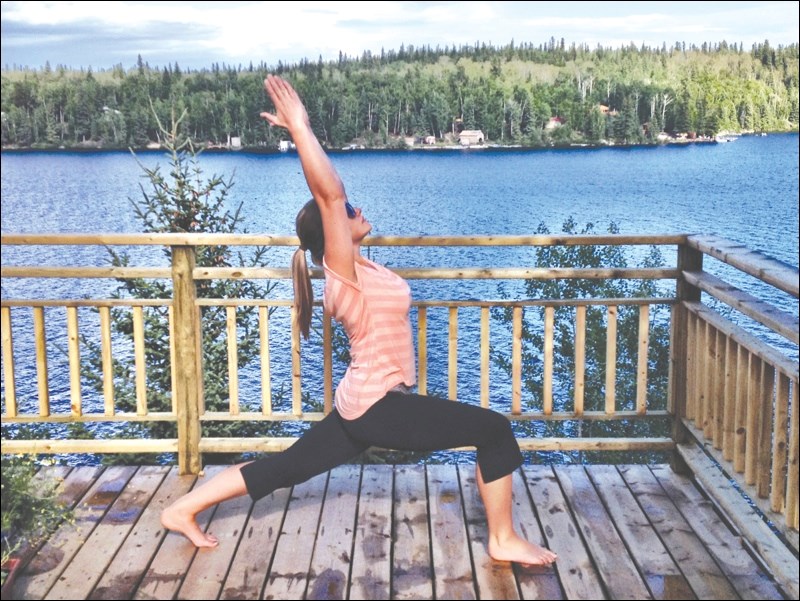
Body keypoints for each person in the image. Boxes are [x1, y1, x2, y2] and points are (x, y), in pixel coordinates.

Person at [160, 74, 557, 567]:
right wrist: (301, 131)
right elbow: (329, 195)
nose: (356, 209)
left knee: (286, 467)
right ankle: (502, 539)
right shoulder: (340, 273)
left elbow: (336, 207)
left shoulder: (360, 268)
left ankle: (181, 509)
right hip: (374, 406)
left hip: (361, 402)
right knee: (494, 430)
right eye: (349, 211)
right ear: (333, 235)